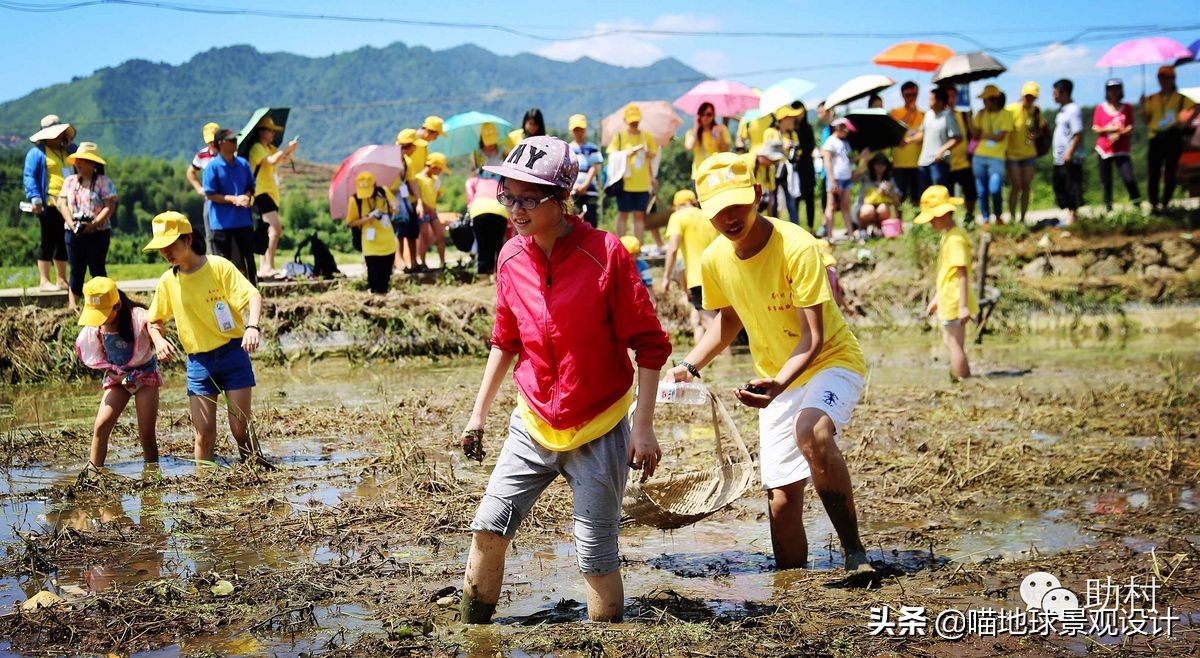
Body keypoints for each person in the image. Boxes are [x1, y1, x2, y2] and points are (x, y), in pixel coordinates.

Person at [459, 135, 669, 624]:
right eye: (508, 195)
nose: (516, 209)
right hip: (532, 421)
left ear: (562, 199)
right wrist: (477, 415)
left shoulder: (606, 254)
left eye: (529, 198)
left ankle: (608, 637)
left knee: (595, 553)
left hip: (599, 423)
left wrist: (643, 426)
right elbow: (505, 340)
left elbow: (651, 344)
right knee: (488, 528)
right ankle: (473, 630)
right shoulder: (510, 256)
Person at [667, 151, 872, 573]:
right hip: (778, 377)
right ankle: (791, 588)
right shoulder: (714, 260)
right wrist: (689, 366)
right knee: (781, 500)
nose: (730, 217)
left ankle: (855, 553)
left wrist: (778, 382)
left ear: (758, 194)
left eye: (738, 204)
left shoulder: (796, 245)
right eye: (718, 210)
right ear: (706, 214)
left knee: (812, 432)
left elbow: (813, 337)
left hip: (830, 360)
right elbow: (728, 319)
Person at [142, 211, 266, 465]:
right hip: (199, 363)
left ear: (187, 239)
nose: (166, 252)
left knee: (240, 428)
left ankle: (258, 472)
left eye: (170, 245)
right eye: (161, 248)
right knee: (204, 435)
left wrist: (252, 326)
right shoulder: (168, 281)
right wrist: (158, 340)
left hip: (233, 354)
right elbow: (153, 321)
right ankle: (202, 491)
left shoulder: (218, 267)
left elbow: (252, 296)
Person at [74, 277, 161, 469]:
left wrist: (160, 340)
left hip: (144, 378)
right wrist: (120, 378)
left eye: (103, 314)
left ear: (117, 305)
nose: (99, 320)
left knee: (146, 433)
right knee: (101, 426)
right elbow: (98, 358)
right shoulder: (95, 327)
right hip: (118, 379)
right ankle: (93, 472)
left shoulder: (137, 317)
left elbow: (153, 325)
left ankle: (152, 472)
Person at [917, 186, 978, 381]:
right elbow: (947, 273)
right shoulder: (948, 236)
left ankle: (962, 380)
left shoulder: (955, 239)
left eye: (933, 218)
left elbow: (962, 274)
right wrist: (936, 298)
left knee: (953, 343)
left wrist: (963, 307)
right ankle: (962, 377)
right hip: (948, 298)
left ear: (944, 214)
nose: (931, 223)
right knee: (950, 341)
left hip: (955, 300)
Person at [58, 142, 117, 310]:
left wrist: (93, 224)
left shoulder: (103, 182)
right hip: (73, 232)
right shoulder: (69, 181)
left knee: (97, 269)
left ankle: (104, 306)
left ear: (93, 164)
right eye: (78, 160)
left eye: (83, 160)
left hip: (98, 232)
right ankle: (73, 307)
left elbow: (109, 206)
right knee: (76, 269)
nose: (79, 164)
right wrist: (72, 223)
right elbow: (62, 203)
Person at [24, 115, 75, 292]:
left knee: (63, 241)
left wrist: (69, 144)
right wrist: (35, 197)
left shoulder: (65, 150)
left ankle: (62, 279)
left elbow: (79, 156)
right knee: (48, 240)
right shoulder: (37, 153)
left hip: (67, 204)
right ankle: (44, 281)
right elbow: (29, 176)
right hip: (49, 203)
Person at [660, 189, 719, 344]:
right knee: (704, 319)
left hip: (699, 276)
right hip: (719, 274)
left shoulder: (678, 216)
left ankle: (727, 364)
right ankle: (702, 364)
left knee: (710, 323)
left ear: (677, 205)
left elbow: (673, 249)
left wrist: (666, 277)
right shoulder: (707, 214)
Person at [203, 128, 258, 285]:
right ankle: (225, 293)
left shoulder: (243, 164)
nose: (235, 143)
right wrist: (234, 199)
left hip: (243, 221)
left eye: (236, 140)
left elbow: (251, 186)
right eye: (232, 140)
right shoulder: (212, 167)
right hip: (222, 223)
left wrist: (246, 197)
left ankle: (253, 289)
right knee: (223, 262)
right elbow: (210, 194)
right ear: (221, 144)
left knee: (248, 259)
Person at [247, 116, 298, 279]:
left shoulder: (269, 147)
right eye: (270, 131)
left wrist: (291, 149)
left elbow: (281, 159)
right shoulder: (257, 148)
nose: (272, 135)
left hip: (270, 194)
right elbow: (271, 161)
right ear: (262, 131)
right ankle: (267, 266)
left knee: (267, 230)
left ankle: (266, 266)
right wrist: (285, 149)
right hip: (261, 193)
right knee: (275, 229)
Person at [1141, 66, 1194, 212]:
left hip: (1172, 135)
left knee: (1170, 171)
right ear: (1158, 79)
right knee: (1154, 171)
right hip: (1156, 137)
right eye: (1162, 77)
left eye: (1168, 77)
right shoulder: (1152, 98)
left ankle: (1166, 203)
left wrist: (1186, 122)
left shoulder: (1180, 98)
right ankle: (1153, 203)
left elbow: (1196, 107)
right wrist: (1142, 106)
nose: (1165, 81)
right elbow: (1146, 120)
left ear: (1173, 79)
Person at [607, 104, 660, 246]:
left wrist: (647, 153)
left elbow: (654, 153)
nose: (634, 124)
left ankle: (638, 245)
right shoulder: (619, 136)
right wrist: (626, 154)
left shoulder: (646, 136)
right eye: (631, 121)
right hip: (625, 182)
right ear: (625, 121)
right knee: (623, 214)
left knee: (639, 215)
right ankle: (620, 244)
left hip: (643, 182)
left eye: (636, 121)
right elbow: (611, 154)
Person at [344, 171, 398, 294]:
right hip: (370, 242)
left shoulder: (383, 192)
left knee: (385, 275)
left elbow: (396, 209)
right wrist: (368, 219)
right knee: (373, 275)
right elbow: (351, 222)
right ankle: (374, 297)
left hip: (387, 240)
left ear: (374, 185)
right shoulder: (355, 200)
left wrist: (393, 208)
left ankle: (383, 299)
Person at [1093, 79, 1140, 212]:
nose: (1114, 91)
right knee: (1106, 181)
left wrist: (1119, 134)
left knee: (1128, 178)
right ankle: (1109, 209)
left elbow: (1130, 127)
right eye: (1111, 88)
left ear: (1121, 90)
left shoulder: (1127, 107)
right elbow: (1096, 128)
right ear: (1107, 91)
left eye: (1116, 88)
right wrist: (1112, 130)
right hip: (1104, 149)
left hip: (1122, 149)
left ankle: (1137, 205)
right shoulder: (1100, 108)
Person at [971, 85, 1013, 224]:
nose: (983, 103)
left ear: (994, 99)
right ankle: (985, 219)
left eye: (986, 100)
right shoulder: (981, 114)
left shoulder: (1006, 115)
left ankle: (998, 216)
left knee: (995, 189)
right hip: (979, 157)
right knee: (981, 191)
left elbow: (1000, 137)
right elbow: (975, 134)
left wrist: (984, 135)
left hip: (997, 158)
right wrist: (970, 118)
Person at [1006, 82, 1046, 224]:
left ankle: (1022, 218)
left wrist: (1037, 135)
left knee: (1026, 186)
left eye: (1032, 97)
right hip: (1012, 154)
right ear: (1022, 95)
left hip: (1029, 154)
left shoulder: (1036, 112)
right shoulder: (1011, 110)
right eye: (1027, 96)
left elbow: (1042, 128)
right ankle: (1012, 218)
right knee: (1016, 186)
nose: (1029, 99)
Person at [777, 102, 817, 230]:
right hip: (793, 170)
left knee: (809, 198)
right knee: (794, 200)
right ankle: (797, 229)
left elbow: (809, 147)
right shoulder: (788, 132)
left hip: (806, 168)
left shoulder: (807, 129)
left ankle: (810, 227)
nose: (798, 116)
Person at [941, 85, 978, 222]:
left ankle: (969, 216)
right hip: (947, 164)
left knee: (970, 192)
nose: (951, 99)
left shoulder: (963, 115)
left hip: (964, 162)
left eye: (953, 96)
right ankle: (949, 221)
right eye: (948, 96)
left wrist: (971, 119)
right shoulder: (941, 116)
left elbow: (974, 135)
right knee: (947, 195)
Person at [1051, 79, 1085, 226]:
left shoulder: (1073, 110)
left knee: (1072, 186)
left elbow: (1078, 133)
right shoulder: (1062, 110)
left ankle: (1073, 217)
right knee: (1061, 186)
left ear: (1063, 92)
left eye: (1055, 92)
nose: (1053, 96)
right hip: (1059, 157)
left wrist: (1069, 153)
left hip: (1070, 157)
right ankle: (1069, 215)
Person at [915, 87, 962, 191]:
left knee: (939, 193)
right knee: (924, 193)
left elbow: (957, 138)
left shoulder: (948, 116)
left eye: (932, 99)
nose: (929, 101)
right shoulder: (928, 114)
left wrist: (941, 150)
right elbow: (921, 134)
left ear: (940, 101)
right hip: (923, 161)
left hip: (939, 162)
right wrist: (909, 140)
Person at [821, 118, 859, 239]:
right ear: (838, 127)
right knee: (831, 206)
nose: (847, 131)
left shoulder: (845, 142)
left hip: (846, 178)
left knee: (845, 206)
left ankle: (851, 234)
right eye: (845, 128)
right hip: (835, 178)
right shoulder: (830, 142)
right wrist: (832, 180)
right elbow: (827, 161)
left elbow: (847, 159)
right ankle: (830, 235)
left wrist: (860, 157)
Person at [185, 122, 220, 255]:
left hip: (226, 197)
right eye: (209, 141)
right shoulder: (202, 155)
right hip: (210, 199)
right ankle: (213, 258)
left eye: (214, 140)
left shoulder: (227, 153)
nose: (212, 144)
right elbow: (191, 172)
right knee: (210, 231)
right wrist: (199, 189)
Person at [394, 128, 425, 272]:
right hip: (394, 200)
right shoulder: (391, 160)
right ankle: (399, 261)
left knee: (412, 229)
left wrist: (418, 202)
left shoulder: (407, 161)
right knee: (399, 230)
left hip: (406, 200)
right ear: (409, 145)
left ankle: (413, 262)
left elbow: (412, 182)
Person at [890, 81, 926, 206]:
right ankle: (898, 224)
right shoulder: (894, 112)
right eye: (908, 95)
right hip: (899, 164)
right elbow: (896, 130)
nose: (911, 98)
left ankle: (917, 223)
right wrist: (910, 113)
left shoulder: (923, 114)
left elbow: (923, 135)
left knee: (918, 196)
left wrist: (909, 140)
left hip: (918, 163)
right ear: (902, 95)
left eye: (914, 95)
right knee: (899, 196)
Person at [568, 114, 603, 228]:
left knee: (591, 220)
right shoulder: (567, 148)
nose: (579, 132)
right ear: (571, 131)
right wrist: (574, 186)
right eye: (576, 129)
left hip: (590, 190)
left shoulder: (592, 148)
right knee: (573, 219)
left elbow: (594, 167)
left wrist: (585, 185)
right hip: (573, 191)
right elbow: (566, 170)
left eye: (581, 129)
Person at [415, 152, 450, 270]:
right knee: (423, 236)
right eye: (439, 169)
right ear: (433, 167)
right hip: (423, 212)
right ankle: (423, 263)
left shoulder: (435, 180)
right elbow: (416, 196)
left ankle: (442, 262)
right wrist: (425, 205)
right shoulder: (418, 178)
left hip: (432, 211)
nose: (439, 172)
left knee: (440, 235)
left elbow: (438, 193)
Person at [853, 152, 899, 237]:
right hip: (863, 208)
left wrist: (888, 193)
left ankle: (879, 229)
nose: (880, 167)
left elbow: (897, 200)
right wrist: (863, 160)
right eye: (877, 164)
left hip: (881, 209)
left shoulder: (889, 179)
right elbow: (853, 178)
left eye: (883, 164)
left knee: (883, 208)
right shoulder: (866, 176)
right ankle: (862, 230)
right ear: (873, 165)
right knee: (869, 210)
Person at [684, 101, 732, 177]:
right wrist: (696, 127)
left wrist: (721, 135)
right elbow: (689, 147)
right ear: (698, 116)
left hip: (718, 171)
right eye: (702, 114)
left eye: (709, 114)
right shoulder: (691, 133)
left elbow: (726, 150)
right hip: (699, 174)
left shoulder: (721, 129)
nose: (705, 117)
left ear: (713, 115)